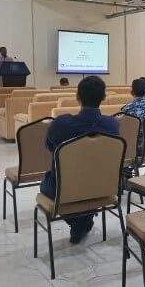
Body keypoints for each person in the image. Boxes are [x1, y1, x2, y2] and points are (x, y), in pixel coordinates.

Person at [40, 76, 119, 244]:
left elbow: (49, 147)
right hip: (102, 187)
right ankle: (83, 221)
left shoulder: (61, 124)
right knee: (89, 179)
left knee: (48, 182)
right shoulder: (112, 125)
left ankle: (79, 222)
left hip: (64, 189)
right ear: (103, 97)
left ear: (78, 97)